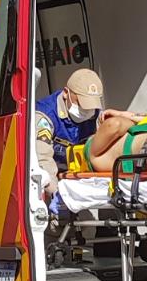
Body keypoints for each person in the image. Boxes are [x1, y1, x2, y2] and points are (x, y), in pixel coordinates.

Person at [34, 68, 117, 196]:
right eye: (82, 104)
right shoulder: (45, 115)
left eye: (91, 106)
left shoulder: (94, 114)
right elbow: (43, 158)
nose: (87, 110)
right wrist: (57, 193)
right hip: (51, 175)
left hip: (78, 175)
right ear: (66, 93)